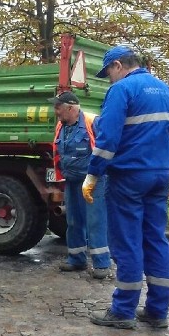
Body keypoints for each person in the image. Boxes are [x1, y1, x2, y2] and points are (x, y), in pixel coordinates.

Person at [83, 45, 169, 330]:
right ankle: (157, 311)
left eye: (109, 73)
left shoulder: (122, 90)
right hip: (159, 176)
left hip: (128, 177)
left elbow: (108, 138)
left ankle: (123, 311)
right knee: (155, 239)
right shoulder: (166, 91)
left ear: (118, 65)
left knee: (127, 241)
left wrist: (92, 175)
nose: (109, 79)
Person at [49, 91, 110, 279]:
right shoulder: (62, 126)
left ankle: (102, 264)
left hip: (93, 181)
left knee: (95, 221)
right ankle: (76, 259)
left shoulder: (93, 121)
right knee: (73, 221)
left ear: (70, 108)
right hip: (72, 180)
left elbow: (108, 147)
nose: (55, 111)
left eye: (58, 107)